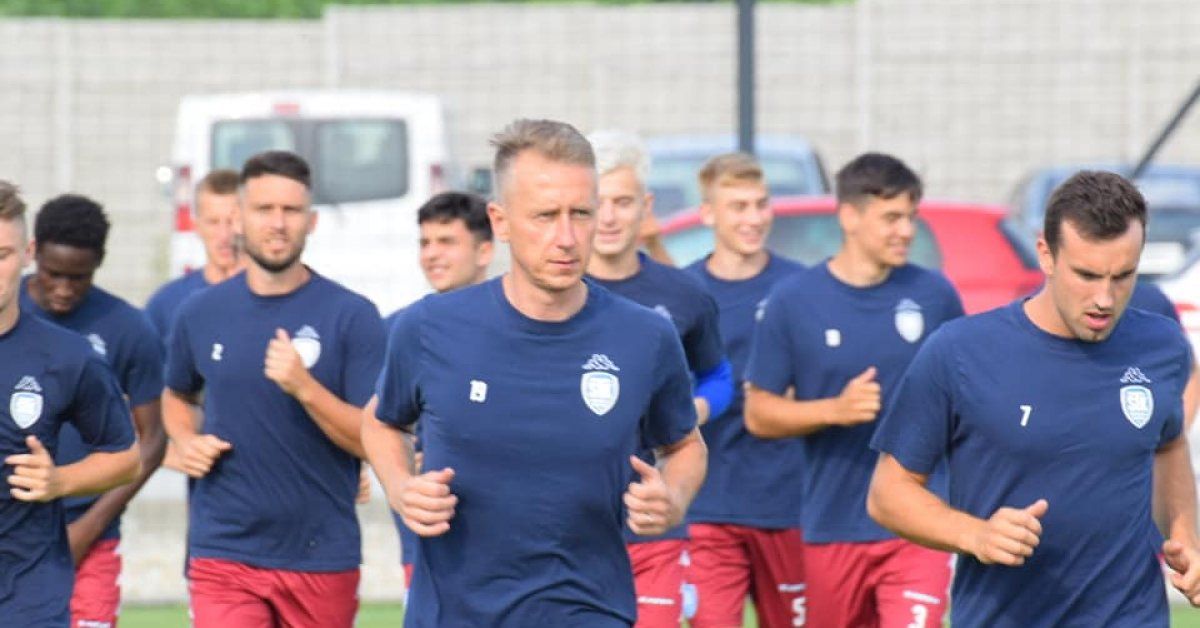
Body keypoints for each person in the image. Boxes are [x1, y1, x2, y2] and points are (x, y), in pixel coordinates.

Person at [363, 118, 708, 627]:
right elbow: (382, 421)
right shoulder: (429, 327)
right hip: (455, 615)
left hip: (590, 612)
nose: (566, 237)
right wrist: (399, 486)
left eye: (581, 214)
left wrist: (673, 498)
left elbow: (685, 445)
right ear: (500, 222)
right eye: (545, 216)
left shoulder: (645, 336)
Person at [868, 170, 1200, 626]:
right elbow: (888, 493)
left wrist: (1185, 536)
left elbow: (1168, 444)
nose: (1104, 298)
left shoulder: (1160, 345)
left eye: (1122, 276)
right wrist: (975, 534)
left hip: (1132, 615)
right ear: (1046, 253)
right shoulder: (960, 352)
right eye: (1086, 275)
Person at [163, 150, 385, 627]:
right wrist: (185, 440)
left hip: (321, 554)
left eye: (291, 210)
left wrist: (305, 388)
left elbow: (374, 438)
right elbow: (176, 394)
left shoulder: (352, 316)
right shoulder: (200, 312)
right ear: (240, 218)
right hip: (224, 550)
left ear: (312, 221)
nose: (278, 223)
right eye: (264, 209)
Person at [744, 153, 964, 627]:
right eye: (891, 217)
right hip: (834, 525)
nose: (906, 230)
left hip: (920, 524)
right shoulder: (793, 301)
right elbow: (758, 413)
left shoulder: (935, 295)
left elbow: (968, 397)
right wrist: (833, 410)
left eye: (911, 217)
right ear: (849, 216)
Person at [585, 129, 731, 627]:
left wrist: (697, 409)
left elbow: (717, 374)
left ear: (645, 207)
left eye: (623, 202)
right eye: (598, 202)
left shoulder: (683, 293)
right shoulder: (552, 293)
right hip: (570, 530)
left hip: (652, 526)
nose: (609, 217)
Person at [20, 193, 168, 627]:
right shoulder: (8, 313)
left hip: (91, 534)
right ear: (33, 252)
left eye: (78, 277)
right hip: (15, 531)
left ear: (99, 261)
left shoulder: (129, 328)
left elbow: (153, 441)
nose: (64, 289)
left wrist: (90, 526)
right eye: (53, 274)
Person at [0, 181, 140, 626]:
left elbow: (126, 457)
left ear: (28, 253)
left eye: (2, 254)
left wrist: (60, 480)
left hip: (28, 599)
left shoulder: (67, 356)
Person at [681, 152, 807, 628]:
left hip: (790, 503)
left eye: (761, 204)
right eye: (738, 207)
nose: (754, 218)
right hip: (708, 506)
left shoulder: (801, 288)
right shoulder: (685, 293)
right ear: (708, 213)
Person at [390, 190, 495, 588]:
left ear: (485, 251)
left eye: (446, 241)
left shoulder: (520, 326)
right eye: (425, 243)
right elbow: (373, 423)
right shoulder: (398, 329)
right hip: (428, 546)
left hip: (512, 543)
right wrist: (399, 468)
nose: (432, 254)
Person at [144, 169, 242, 340]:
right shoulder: (167, 304)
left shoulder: (269, 297)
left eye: (232, 222)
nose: (224, 235)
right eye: (213, 222)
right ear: (196, 226)